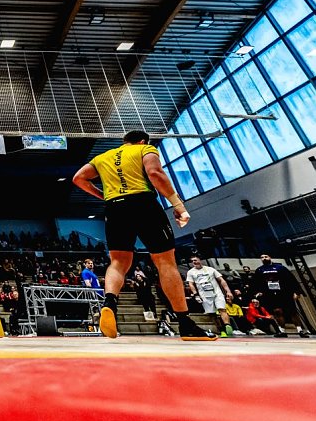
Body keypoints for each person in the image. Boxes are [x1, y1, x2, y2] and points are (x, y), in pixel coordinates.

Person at [72, 130, 216, 340]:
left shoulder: (102, 157)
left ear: (124, 142)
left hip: (115, 208)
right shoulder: (146, 149)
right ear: (142, 141)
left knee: (118, 262)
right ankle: (185, 323)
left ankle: (109, 303)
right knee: (165, 261)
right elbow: (155, 174)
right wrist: (178, 205)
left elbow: (78, 178)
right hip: (143, 204)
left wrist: (102, 195)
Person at [253, 254, 310, 338]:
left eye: (266, 257)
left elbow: (291, 279)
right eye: (262, 257)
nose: (264, 258)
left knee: (292, 312)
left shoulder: (280, 267)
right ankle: (282, 331)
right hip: (271, 294)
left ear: (270, 257)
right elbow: (257, 283)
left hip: (284, 292)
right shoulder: (259, 270)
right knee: (277, 311)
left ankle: (300, 330)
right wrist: (258, 292)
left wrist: (296, 292)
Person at [186, 256, 234, 337]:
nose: (194, 262)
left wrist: (228, 291)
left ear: (200, 260)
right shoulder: (190, 272)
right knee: (212, 314)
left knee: (222, 309)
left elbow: (221, 280)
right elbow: (191, 284)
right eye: (192, 261)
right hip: (204, 296)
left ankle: (227, 326)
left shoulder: (210, 269)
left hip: (217, 293)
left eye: (195, 260)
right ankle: (221, 331)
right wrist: (196, 295)